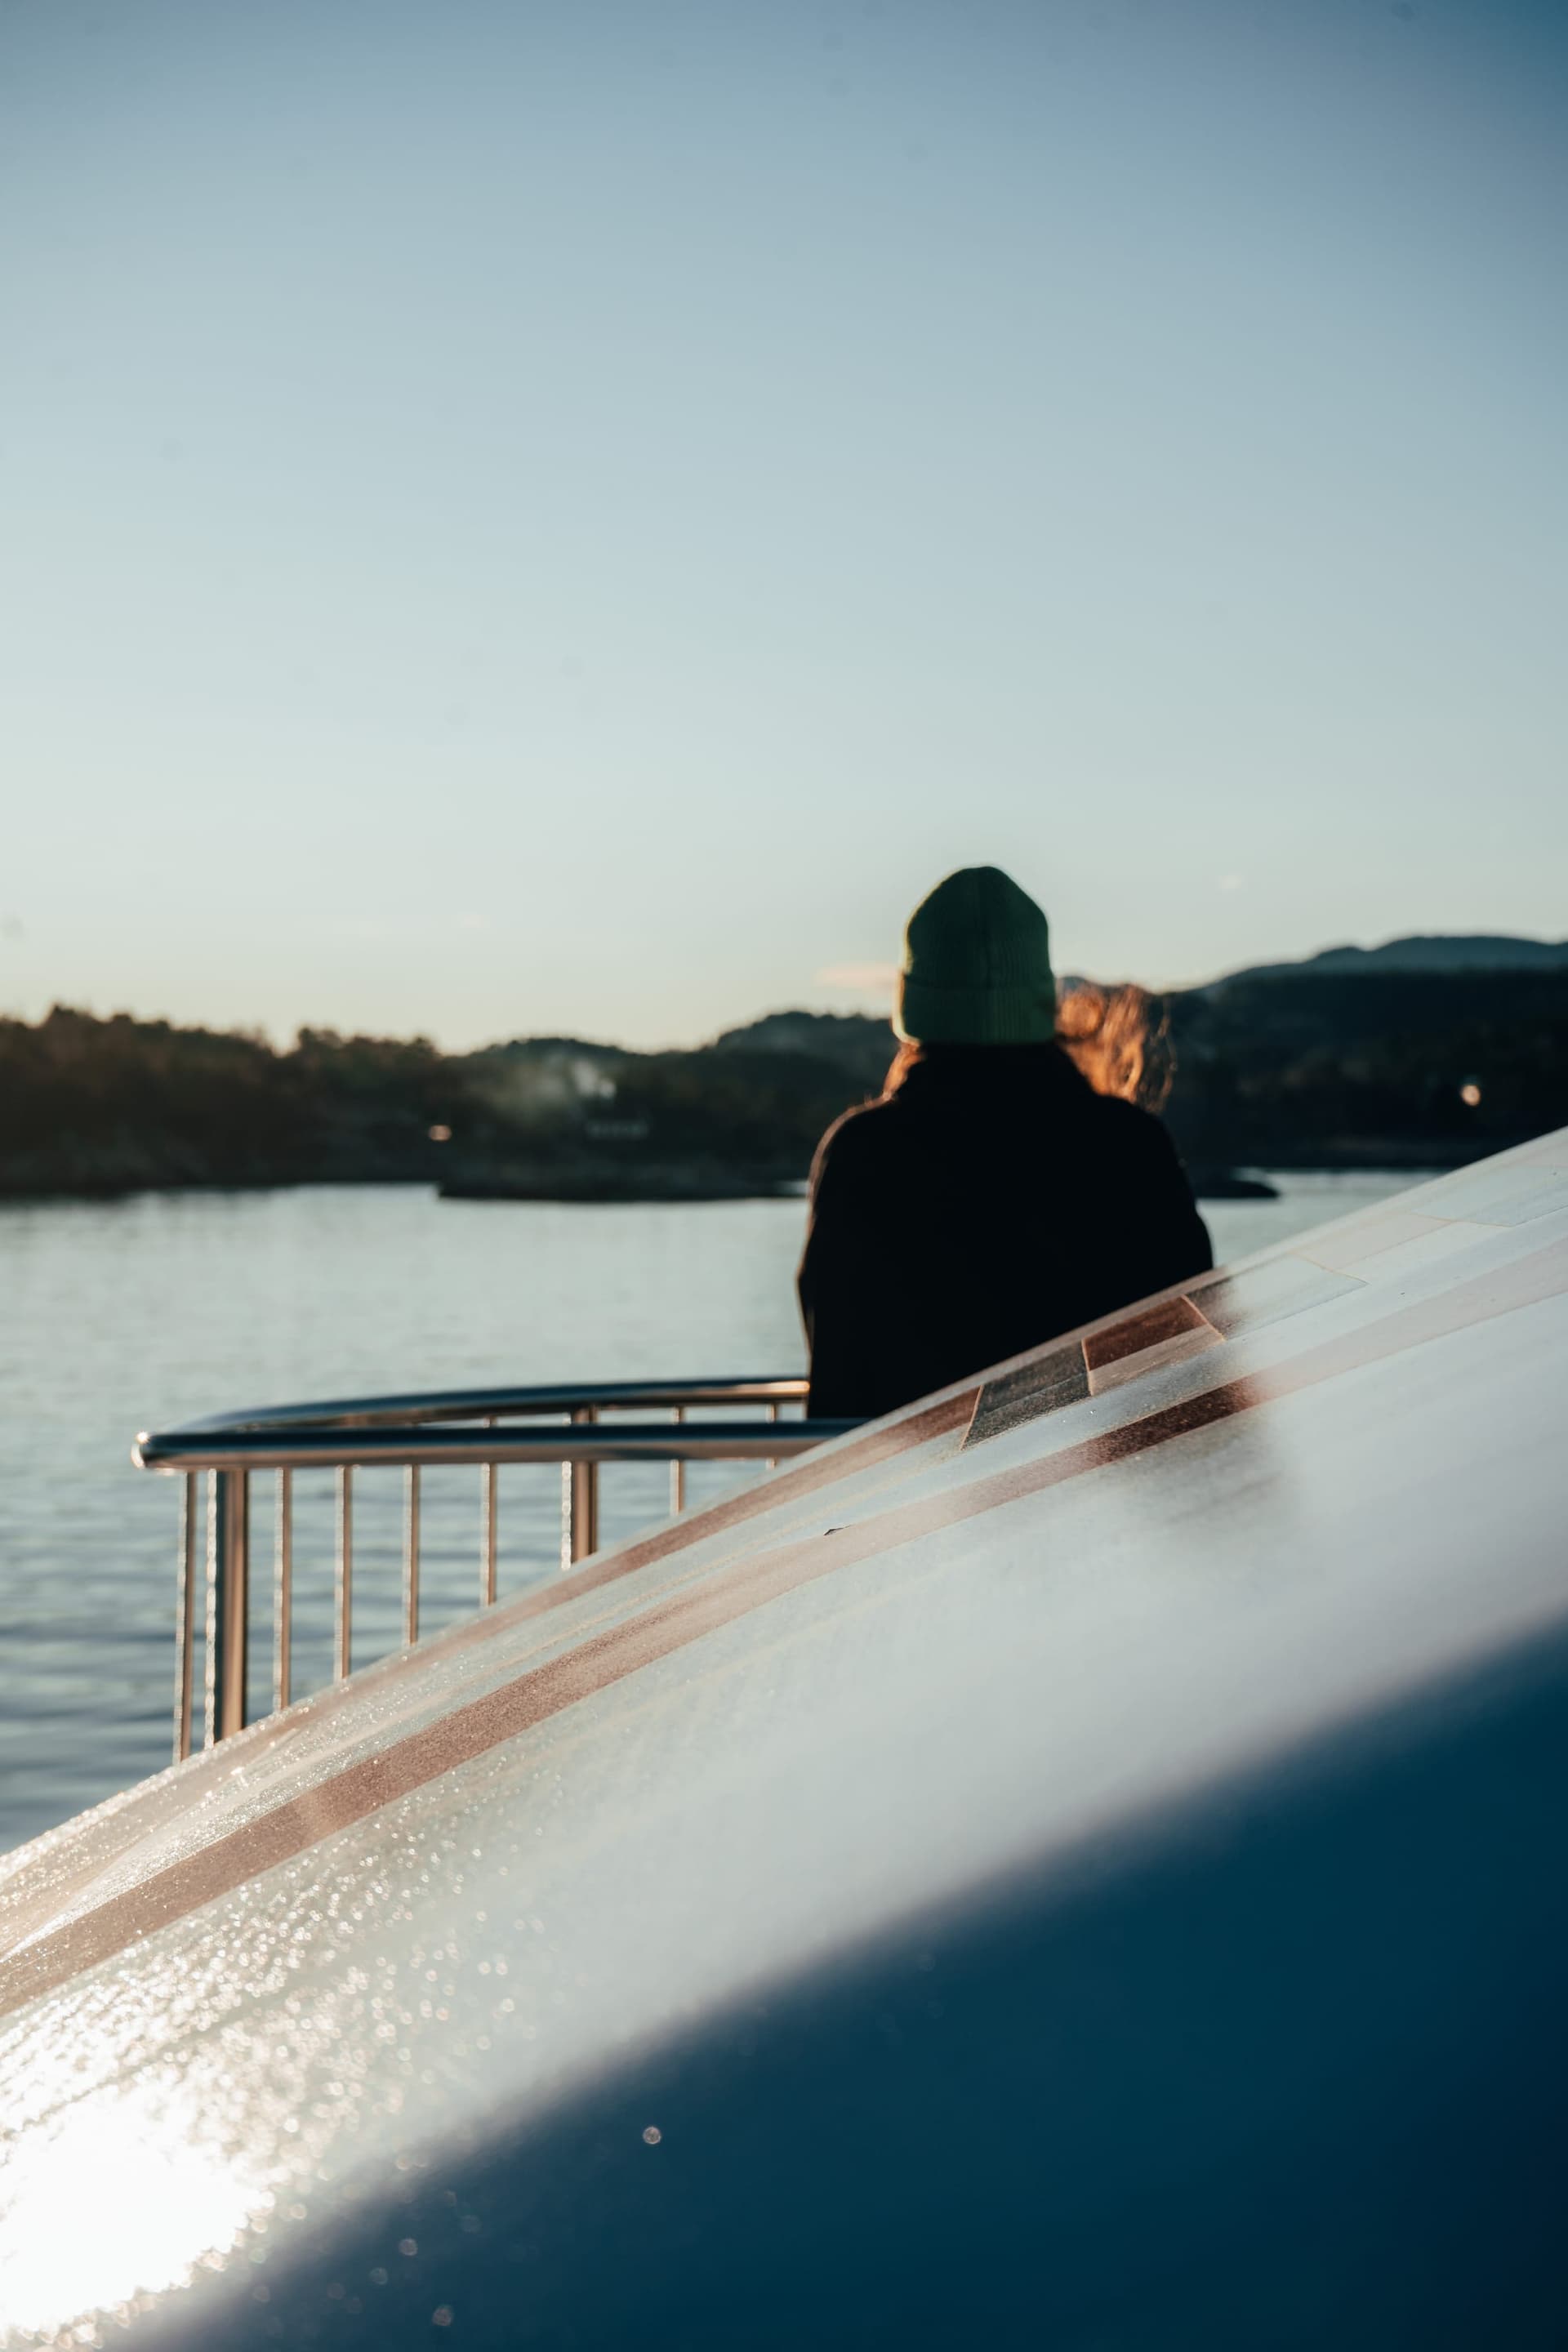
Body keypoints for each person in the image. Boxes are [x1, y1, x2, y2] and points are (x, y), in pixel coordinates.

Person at [798, 866, 1213, 1422]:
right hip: (1110, 1491)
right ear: (1044, 999)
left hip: (921, 1499)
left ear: (914, 1009)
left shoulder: (866, 1153)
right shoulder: (1129, 1144)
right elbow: (1192, 1348)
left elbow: (841, 1369)